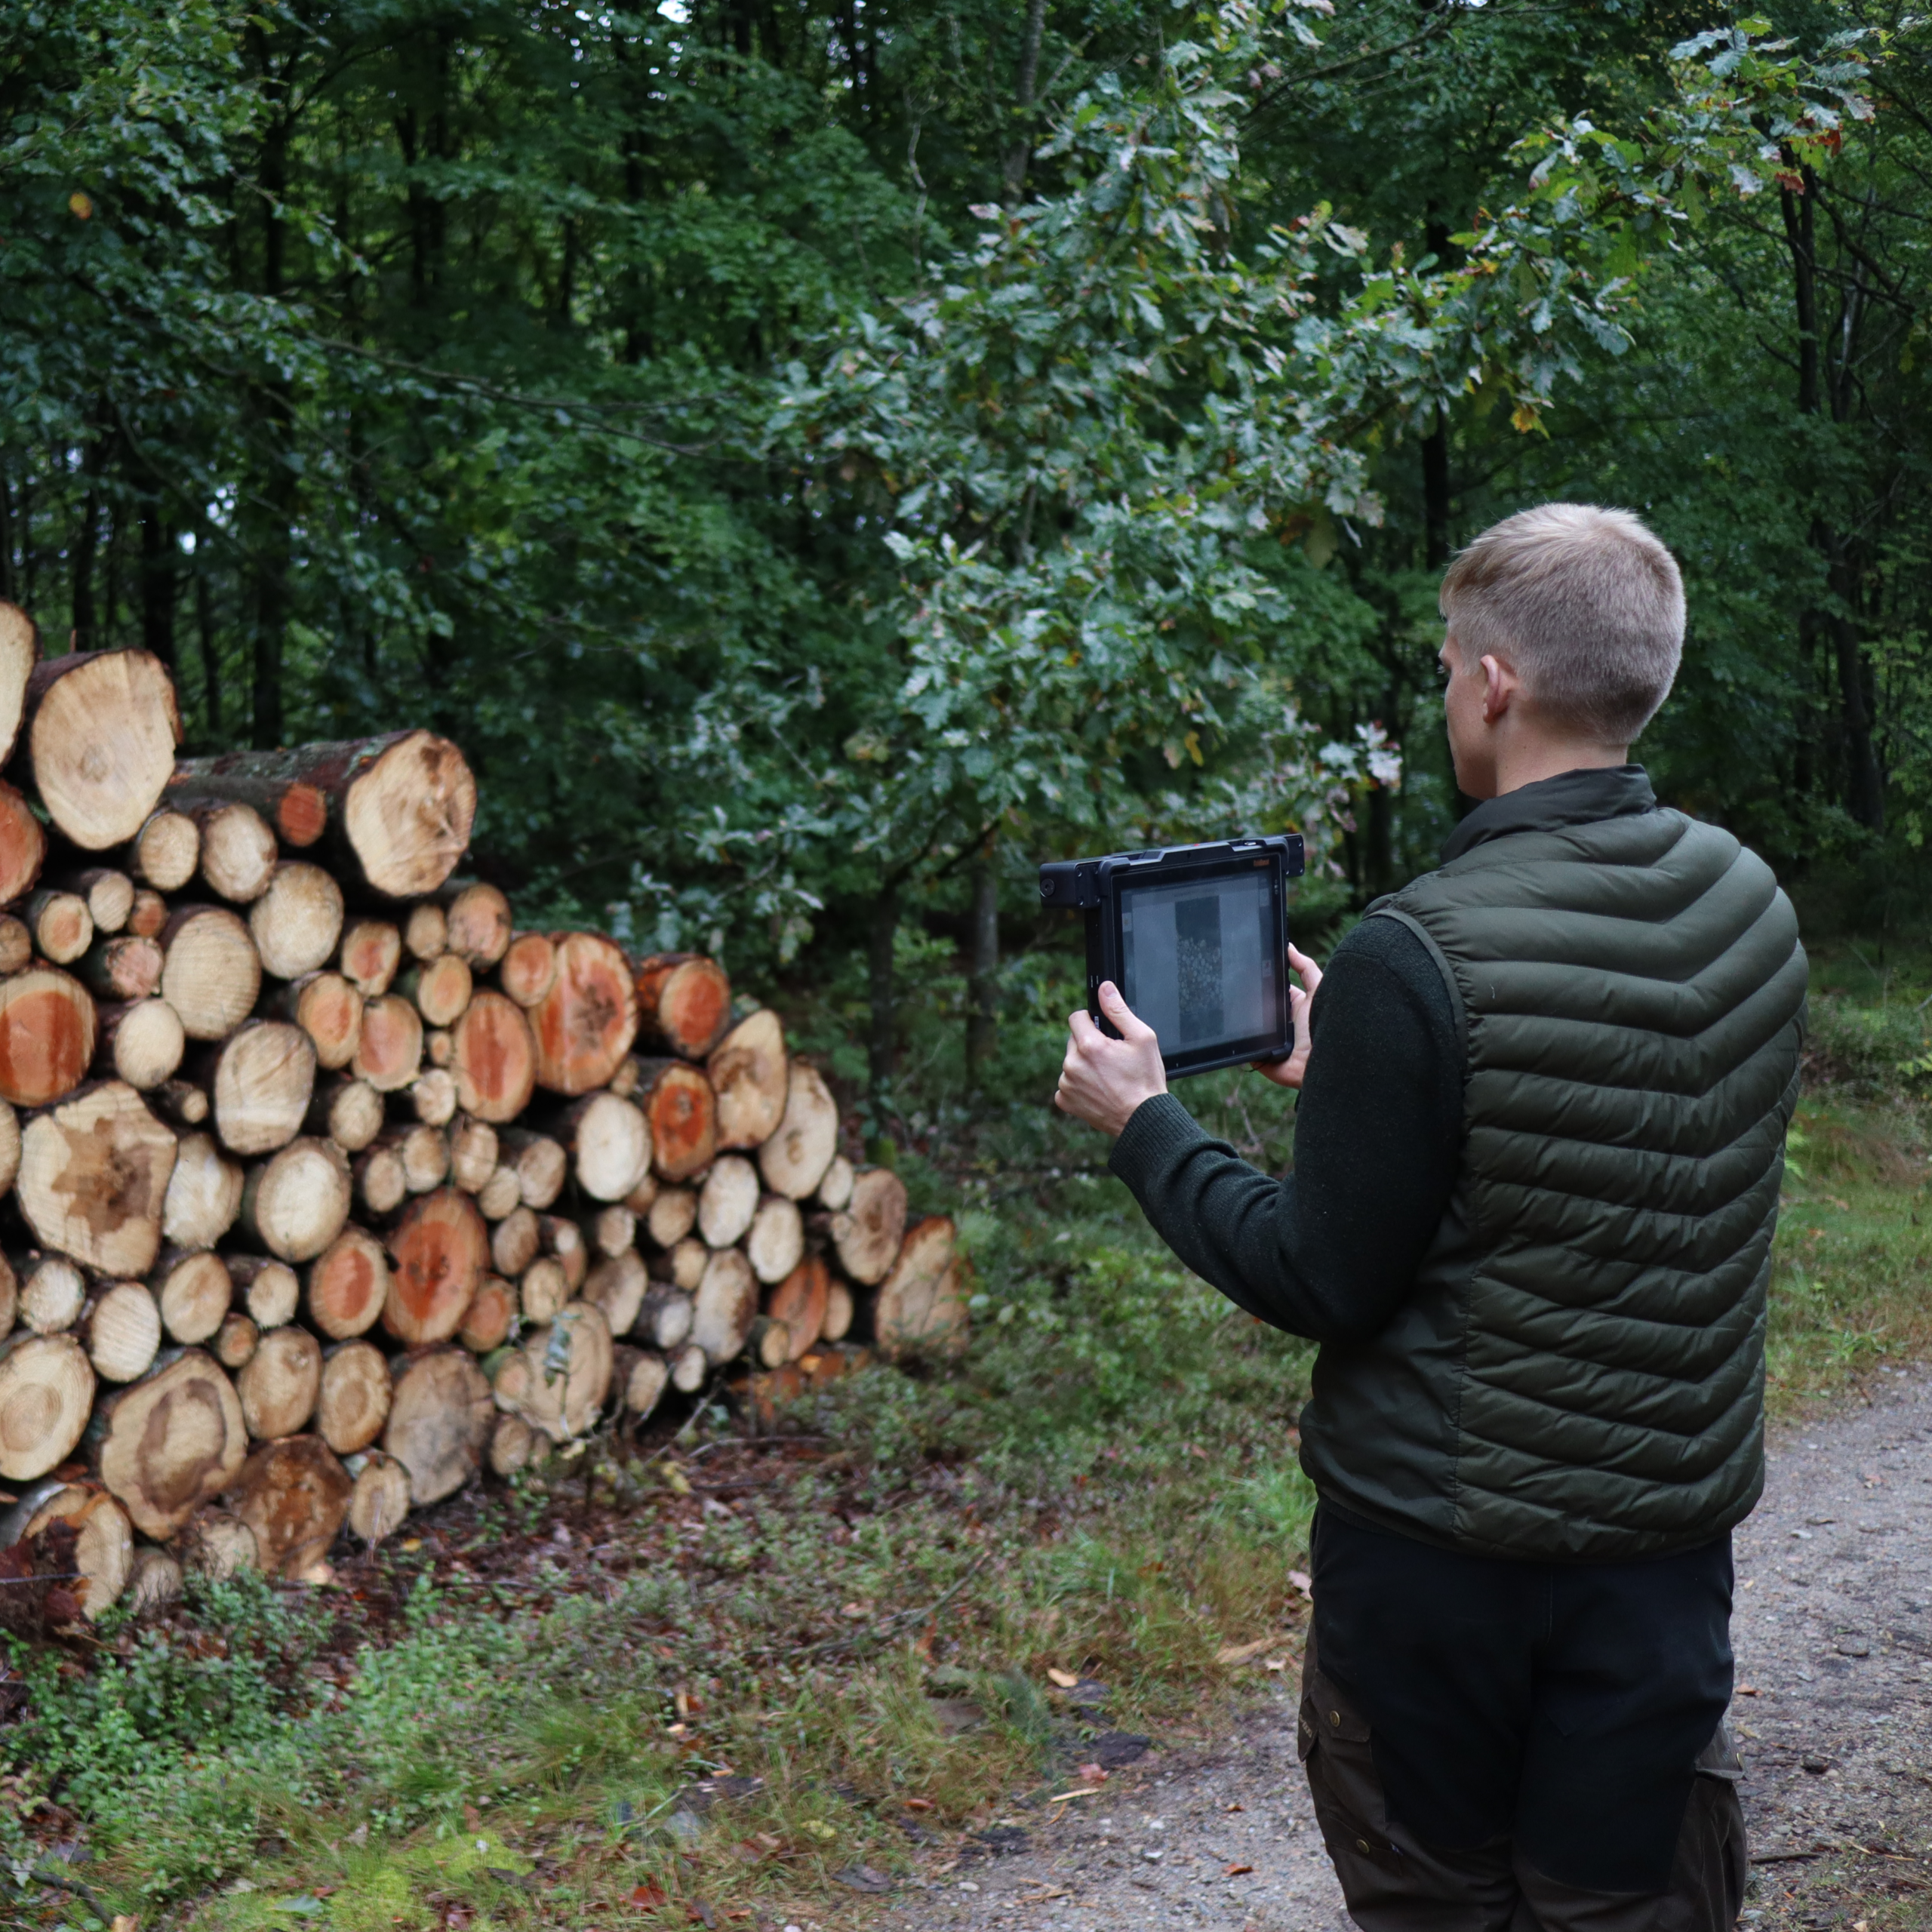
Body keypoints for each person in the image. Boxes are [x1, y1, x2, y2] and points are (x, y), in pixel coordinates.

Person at [1053, 503, 1806, 1929]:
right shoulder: (1747, 901)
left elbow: (1316, 1276)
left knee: (1444, 1907)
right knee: (1622, 1906)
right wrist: (1375, 1073)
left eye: (1451, 662)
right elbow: (1605, 1141)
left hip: (1441, 1579)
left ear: (1494, 683)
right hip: (1659, 1571)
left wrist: (1146, 1125)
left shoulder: (1421, 951)